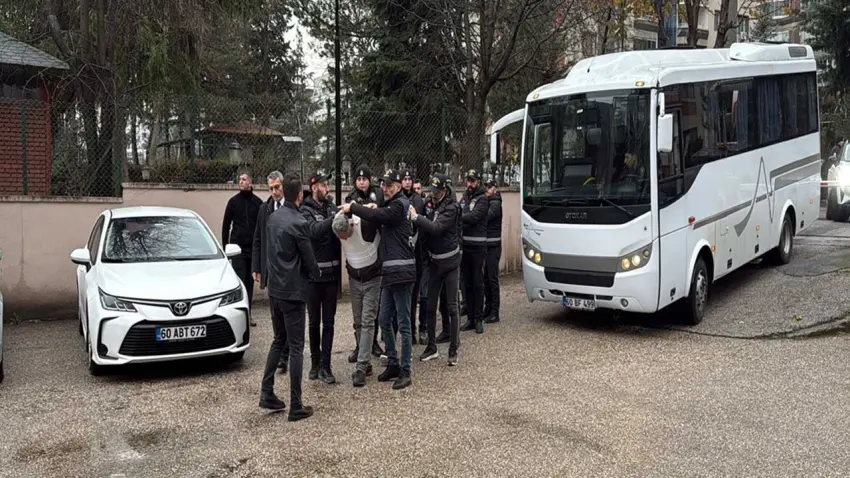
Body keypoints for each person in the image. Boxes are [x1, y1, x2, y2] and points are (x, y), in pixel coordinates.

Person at [339, 169, 415, 390]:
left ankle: (406, 369)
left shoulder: (399, 205)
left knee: (403, 323)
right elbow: (379, 213)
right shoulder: (391, 205)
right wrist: (373, 207)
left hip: (402, 272)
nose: (385, 188)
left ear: (399, 186)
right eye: (383, 184)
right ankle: (392, 363)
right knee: (383, 320)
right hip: (390, 273)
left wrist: (353, 207)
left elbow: (379, 216)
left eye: (390, 185)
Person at [260, 172, 322, 421]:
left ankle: (267, 392)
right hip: (293, 292)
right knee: (296, 347)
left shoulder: (273, 218)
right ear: (300, 196)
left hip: (275, 290)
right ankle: (296, 405)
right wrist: (317, 273)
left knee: (278, 341)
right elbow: (309, 260)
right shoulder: (298, 222)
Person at [409, 173, 462, 365]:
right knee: (430, 306)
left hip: (450, 263)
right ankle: (431, 346)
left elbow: (436, 227)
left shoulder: (451, 207)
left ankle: (454, 348)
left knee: (452, 307)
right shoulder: (430, 202)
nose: (434, 194)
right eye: (432, 190)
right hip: (433, 263)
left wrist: (416, 218)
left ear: (445, 191)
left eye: (437, 191)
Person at [333, 209, 381, 387]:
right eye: (341, 237)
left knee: (368, 321)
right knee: (358, 321)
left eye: (346, 235)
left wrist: (371, 208)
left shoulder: (365, 224)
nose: (344, 239)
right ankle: (366, 361)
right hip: (354, 278)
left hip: (373, 278)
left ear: (352, 224)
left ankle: (361, 367)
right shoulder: (338, 224)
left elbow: (381, 217)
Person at [301, 172, 341, 384]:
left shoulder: (332, 207)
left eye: (328, 184)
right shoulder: (305, 210)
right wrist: (334, 219)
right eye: (324, 185)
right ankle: (315, 363)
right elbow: (314, 231)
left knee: (330, 322)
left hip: (332, 277)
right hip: (314, 278)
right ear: (314, 187)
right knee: (314, 322)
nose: (327, 188)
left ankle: (327, 365)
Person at [344, 165, 386, 361]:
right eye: (358, 179)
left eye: (364, 179)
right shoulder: (350, 198)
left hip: (373, 256)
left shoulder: (378, 194)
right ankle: (360, 345)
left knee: (371, 312)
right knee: (358, 315)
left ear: (370, 180)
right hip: (356, 258)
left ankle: (373, 343)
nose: (361, 182)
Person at [252, 171, 289, 370]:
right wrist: (256, 267)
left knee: (289, 312)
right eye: (271, 188)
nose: (274, 192)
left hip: (288, 270)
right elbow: (258, 239)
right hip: (271, 270)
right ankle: (282, 352)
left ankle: (287, 350)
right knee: (276, 315)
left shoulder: (292, 207)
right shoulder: (264, 209)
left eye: (277, 187)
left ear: (283, 186)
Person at [222, 170, 262, 326]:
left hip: (252, 249)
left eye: (244, 179)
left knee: (249, 282)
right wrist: (225, 247)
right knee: (240, 281)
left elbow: (261, 227)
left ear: (250, 182)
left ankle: (249, 314)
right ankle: (239, 316)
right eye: (239, 179)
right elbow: (226, 225)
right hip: (237, 250)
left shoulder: (257, 203)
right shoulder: (233, 202)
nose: (241, 181)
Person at [459, 169, 489, 334]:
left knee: (477, 283)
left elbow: (474, 217)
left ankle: (478, 318)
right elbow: (463, 211)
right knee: (467, 283)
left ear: (478, 181)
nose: (469, 184)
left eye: (472, 181)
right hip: (466, 246)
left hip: (478, 247)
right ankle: (470, 317)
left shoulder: (482, 199)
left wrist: (458, 216)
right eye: (468, 181)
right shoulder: (466, 196)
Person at [402, 169, 427, 345]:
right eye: (405, 179)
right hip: (403, 253)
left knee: (420, 295)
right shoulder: (397, 200)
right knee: (406, 297)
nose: (408, 182)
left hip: (418, 252)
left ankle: (421, 328)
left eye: (410, 179)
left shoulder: (418, 200)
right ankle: (408, 330)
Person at [483, 179, 502, 324]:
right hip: (487, 245)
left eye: (489, 187)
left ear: (495, 189)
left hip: (493, 245)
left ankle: (495, 311)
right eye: (486, 187)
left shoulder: (495, 204)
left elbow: (485, 217)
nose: (487, 190)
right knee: (486, 279)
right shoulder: (489, 201)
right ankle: (488, 308)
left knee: (492, 278)